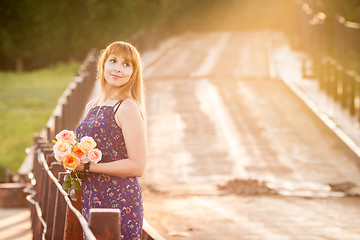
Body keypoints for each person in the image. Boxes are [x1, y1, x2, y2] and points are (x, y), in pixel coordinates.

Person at [75, 41, 146, 239]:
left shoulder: (127, 107)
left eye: (126, 64)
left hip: (119, 201)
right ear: (103, 64)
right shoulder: (92, 106)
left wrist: (88, 167)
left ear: (133, 72)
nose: (118, 68)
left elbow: (137, 166)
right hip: (92, 197)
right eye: (113, 61)